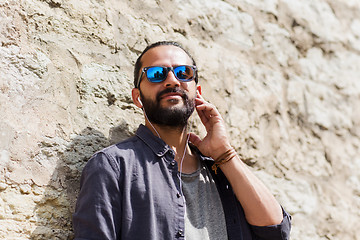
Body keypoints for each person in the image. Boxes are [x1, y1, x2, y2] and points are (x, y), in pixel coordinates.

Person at [73, 41, 291, 240]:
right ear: (138, 97)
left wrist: (226, 155)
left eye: (183, 72)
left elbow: (276, 231)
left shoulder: (221, 170)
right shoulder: (114, 167)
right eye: (157, 74)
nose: (172, 80)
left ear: (197, 92)